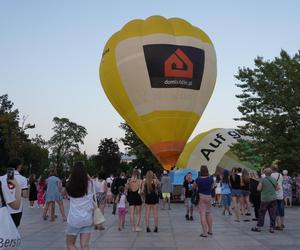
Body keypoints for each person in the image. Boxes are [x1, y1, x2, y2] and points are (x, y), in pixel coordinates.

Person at [65, 161, 93, 250]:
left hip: (74, 219)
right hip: (87, 219)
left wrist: (71, 177)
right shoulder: (90, 184)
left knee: (70, 244)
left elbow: (66, 194)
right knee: (85, 245)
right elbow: (93, 184)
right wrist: (88, 177)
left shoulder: (70, 185)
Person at [251, 168, 278, 233]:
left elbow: (258, 189)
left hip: (265, 199)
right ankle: (271, 228)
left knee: (262, 213)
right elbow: (278, 188)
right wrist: (271, 190)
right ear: (271, 173)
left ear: (264, 173)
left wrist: (264, 189)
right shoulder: (274, 179)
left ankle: (258, 227)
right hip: (273, 199)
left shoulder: (263, 180)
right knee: (272, 213)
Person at [4, 158, 28, 227]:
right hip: (16, 210)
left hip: (3, 209)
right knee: (14, 229)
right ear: (19, 166)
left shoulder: (1, 178)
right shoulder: (23, 179)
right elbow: (25, 195)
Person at [194, 165, 214, 238]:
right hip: (209, 196)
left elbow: (193, 187)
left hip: (201, 197)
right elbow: (212, 187)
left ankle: (204, 233)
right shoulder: (211, 178)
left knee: (202, 214)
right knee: (208, 213)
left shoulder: (198, 179)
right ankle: (210, 230)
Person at [271, 163, 284, 230]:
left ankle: (278, 225)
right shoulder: (280, 175)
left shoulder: (271, 175)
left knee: (276, 209)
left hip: (274, 194)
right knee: (281, 208)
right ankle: (282, 223)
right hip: (280, 193)